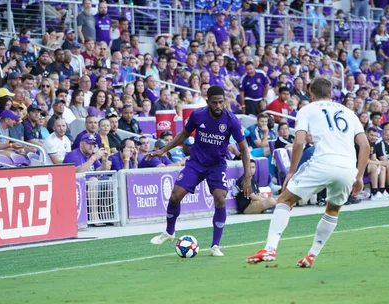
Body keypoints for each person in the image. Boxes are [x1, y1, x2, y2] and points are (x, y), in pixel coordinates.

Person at [246, 77, 370, 267]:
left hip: (323, 162)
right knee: (333, 210)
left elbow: (299, 142)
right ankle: (312, 254)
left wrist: (291, 172)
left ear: (311, 94)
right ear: (331, 93)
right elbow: (365, 145)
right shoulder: (349, 112)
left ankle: (270, 248)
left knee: (285, 200)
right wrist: (359, 176)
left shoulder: (307, 110)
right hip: (347, 167)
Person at [148, 86, 252, 257]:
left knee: (220, 199)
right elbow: (183, 135)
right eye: (214, 102)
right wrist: (164, 150)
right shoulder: (197, 115)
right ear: (207, 101)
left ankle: (215, 245)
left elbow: (244, 148)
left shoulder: (231, 120)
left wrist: (247, 176)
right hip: (196, 163)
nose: (218, 106)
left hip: (216, 165)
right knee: (175, 196)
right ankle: (168, 232)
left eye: (221, 102)